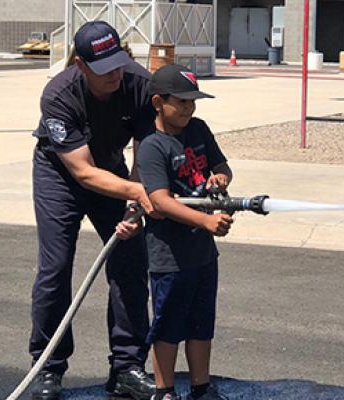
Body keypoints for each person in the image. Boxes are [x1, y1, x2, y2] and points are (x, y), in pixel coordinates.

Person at [29, 20, 157, 400]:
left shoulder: (138, 84)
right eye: (103, 69)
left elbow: (145, 150)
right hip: (60, 175)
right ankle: (47, 369)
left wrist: (135, 203)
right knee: (55, 268)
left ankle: (127, 367)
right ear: (81, 66)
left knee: (131, 262)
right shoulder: (58, 95)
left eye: (117, 62)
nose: (114, 74)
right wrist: (136, 191)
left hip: (116, 172)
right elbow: (83, 172)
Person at [136, 64, 234, 400]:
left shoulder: (199, 130)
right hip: (170, 255)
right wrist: (206, 221)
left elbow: (221, 166)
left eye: (193, 101)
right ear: (158, 103)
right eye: (181, 102)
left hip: (203, 253)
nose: (189, 108)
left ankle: (201, 387)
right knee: (168, 326)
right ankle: (164, 391)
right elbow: (160, 202)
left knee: (201, 324)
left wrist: (220, 178)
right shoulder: (152, 146)